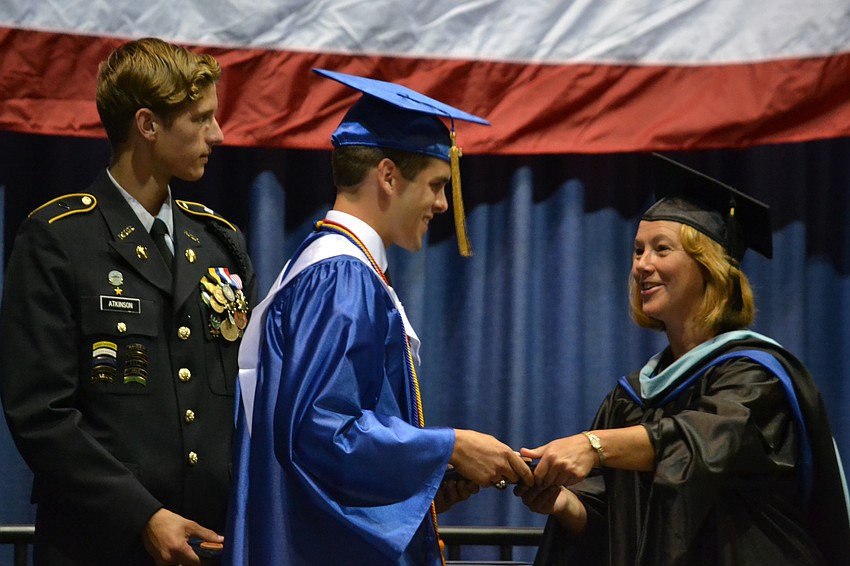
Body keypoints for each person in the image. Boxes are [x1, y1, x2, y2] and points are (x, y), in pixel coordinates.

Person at [223, 69, 534, 566]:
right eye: (436, 185)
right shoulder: (340, 279)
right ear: (388, 176)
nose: (441, 204)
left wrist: (424, 482)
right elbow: (323, 434)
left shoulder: (329, 267)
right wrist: (448, 449)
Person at [516, 153, 850, 565]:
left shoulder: (756, 380)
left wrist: (593, 445)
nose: (643, 265)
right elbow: (624, 532)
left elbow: (697, 443)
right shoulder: (632, 397)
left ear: (708, 268)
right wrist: (563, 503)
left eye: (661, 249)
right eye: (638, 251)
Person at [0, 37, 257, 566]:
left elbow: (247, 403)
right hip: (98, 545)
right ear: (148, 124)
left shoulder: (219, 243)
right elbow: (41, 414)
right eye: (200, 118)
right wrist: (142, 514)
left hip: (210, 544)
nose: (218, 134)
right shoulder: (59, 239)